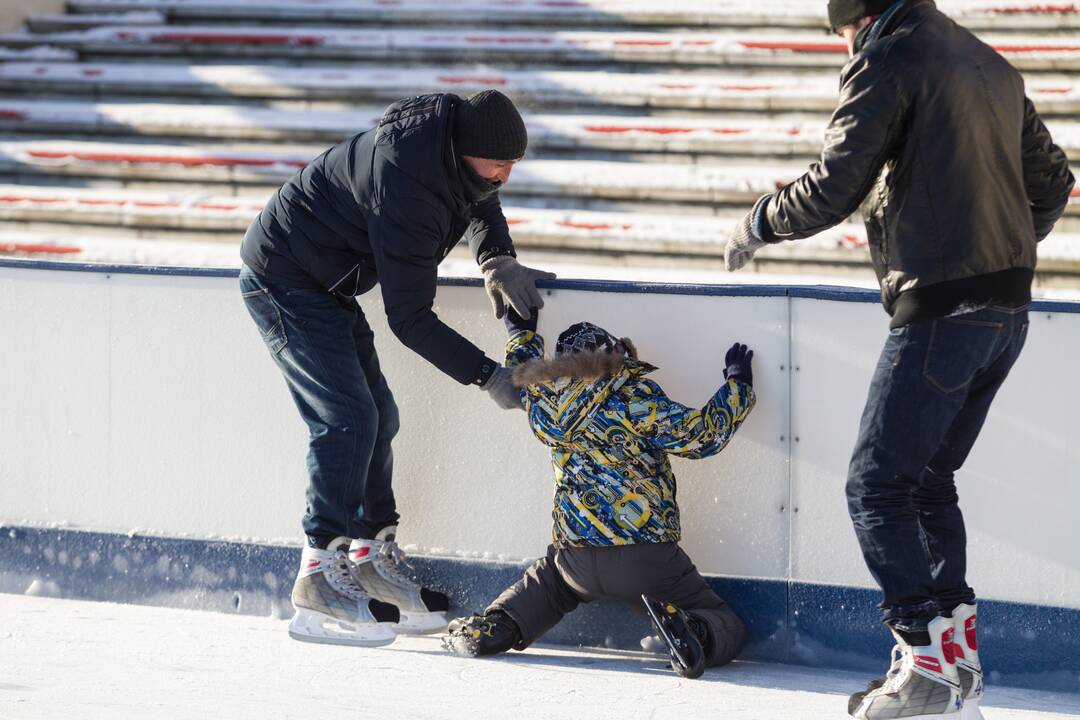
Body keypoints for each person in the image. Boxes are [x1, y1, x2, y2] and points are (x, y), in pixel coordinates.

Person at [723, 1, 1074, 718]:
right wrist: (1003, 257)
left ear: (860, 18)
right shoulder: (990, 62)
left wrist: (758, 222)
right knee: (925, 483)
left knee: (875, 487)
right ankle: (958, 661)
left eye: (843, 33)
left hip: (943, 307)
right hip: (1007, 311)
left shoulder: (890, 57)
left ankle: (924, 661)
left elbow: (834, 185)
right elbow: (1056, 183)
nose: (844, 46)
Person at [238, 89, 557, 646]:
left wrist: (496, 257)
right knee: (346, 418)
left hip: (324, 282)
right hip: (283, 280)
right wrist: (489, 376)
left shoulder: (452, 155)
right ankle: (318, 573)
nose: (507, 174)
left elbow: (481, 199)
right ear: (464, 150)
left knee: (378, 416)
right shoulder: (406, 184)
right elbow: (409, 319)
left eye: (515, 164)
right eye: (499, 163)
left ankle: (366, 559)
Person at [443, 306, 756, 678]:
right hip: (645, 556)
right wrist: (738, 386)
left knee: (550, 583)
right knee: (727, 623)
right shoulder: (634, 397)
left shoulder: (544, 401)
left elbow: (520, 374)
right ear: (613, 355)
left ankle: (498, 625)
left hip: (575, 558)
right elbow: (702, 437)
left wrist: (520, 332)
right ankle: (696, 631)